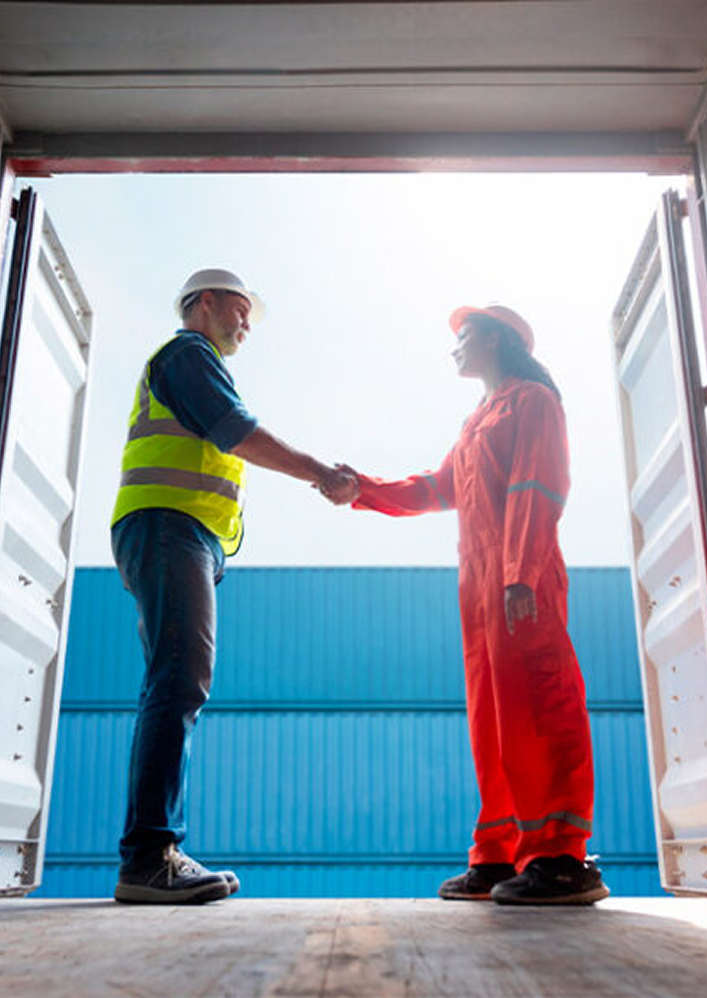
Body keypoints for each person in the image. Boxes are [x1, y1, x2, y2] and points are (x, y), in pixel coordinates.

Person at [327, 303, 609, 905]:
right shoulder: (477, 421)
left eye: (465, 333)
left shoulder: (533, 401)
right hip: (479, 586)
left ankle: (562, 856)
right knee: (493, 720)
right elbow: (435, 488)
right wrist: (365, 489)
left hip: (518, 575)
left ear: (499, 340)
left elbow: (540, 486)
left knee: (539, 707)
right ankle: (501, 853)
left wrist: (520, 574)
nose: (455, 343)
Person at [110, 268, 354, 904]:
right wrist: (319, 472)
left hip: (181, 534)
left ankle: (152, 853)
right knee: (179, 677)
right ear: (206, 303)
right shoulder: (188, 354)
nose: (247, 324)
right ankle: (150, 855)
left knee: (177, 676)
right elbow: (235, 430)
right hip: (169, 527)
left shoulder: (193, 361)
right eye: (241, 310)